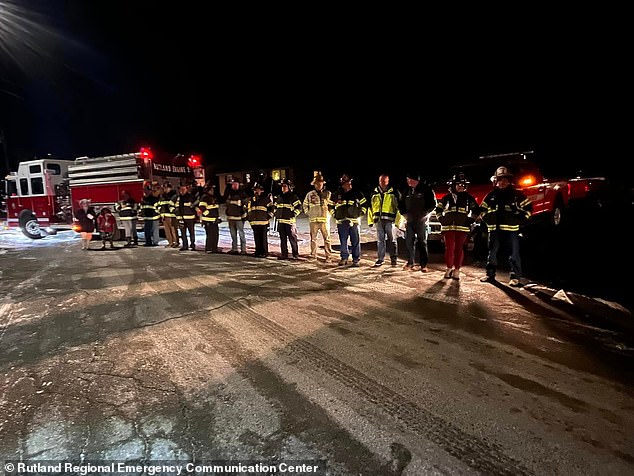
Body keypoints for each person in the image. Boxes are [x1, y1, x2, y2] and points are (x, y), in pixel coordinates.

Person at [478, 166, 532, 286]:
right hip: (494, 229)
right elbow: (482, 210)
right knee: (492, 253)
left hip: (511, 230)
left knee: (514, 253)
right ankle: (490, 275)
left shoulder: (517, 195)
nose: (502, 182)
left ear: (509, 181)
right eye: (499, 180)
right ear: (495, 181)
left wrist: (519, 217)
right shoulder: (491, 195)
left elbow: (528, 210)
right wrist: (489, 220)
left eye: (505, 180)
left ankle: (515, 277)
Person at [434, 173, 479, 280]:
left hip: (462, 227)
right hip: (448, 227)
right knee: (449, 249)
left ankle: (457, 270)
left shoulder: (469, 198)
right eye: (458, 184)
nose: (461, 186)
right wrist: (442, 220)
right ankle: (449, 268)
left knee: (459, 249)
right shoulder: (446, 197)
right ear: (453, 185)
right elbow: (438, 210)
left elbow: (476, 211)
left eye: (463, 185)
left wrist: (470, 220)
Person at [398, 172, 436, 272]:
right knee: (409, 242)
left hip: (421, 221)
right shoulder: (407, 190)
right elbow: (401, 204)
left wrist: (425, 214)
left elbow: (432, 204)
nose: (407, 181)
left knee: (422, 242)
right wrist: (404, 214)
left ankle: (424, 265)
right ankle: (410, 262)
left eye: (408, 178)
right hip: (409, 221)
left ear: (413, 179)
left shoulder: (426, 189)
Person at [330, 174, 367, 267]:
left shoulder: (357, 193)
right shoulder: (337, 194)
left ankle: (356, 259)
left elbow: (365, 205)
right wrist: (334, 214)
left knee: (355, 241)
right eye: (346, 183)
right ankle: (344, 258)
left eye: (349, 182)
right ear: (342, 184)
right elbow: (330, 205)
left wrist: (360, 214)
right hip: (342, 221)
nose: (348, 184)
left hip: (354, 222)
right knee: (343, 241)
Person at [367, 174, 401, 267]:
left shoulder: (394, 192)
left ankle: (394, 259)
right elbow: (370, 207)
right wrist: (371, 221)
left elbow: (399, 208)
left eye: (384, 181)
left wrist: (398, 222)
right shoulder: (374, 193)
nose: (382, 183)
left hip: (390, 220)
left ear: (388, 181)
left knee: (392, 240)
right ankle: (380, 259)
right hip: (378, 220)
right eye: (381, 181)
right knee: (380, 240)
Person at [302, 173, 333, 260]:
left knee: (327, 239)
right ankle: (313, 255)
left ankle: (328, 256)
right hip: (313, 220)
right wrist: (309, 213)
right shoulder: (310, 194)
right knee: (313, 239)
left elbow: (332, 205)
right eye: (317, 183)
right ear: (314, 184)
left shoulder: (328, 194)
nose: (319, 184)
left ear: (323, 183)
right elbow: (305, 205)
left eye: (320, 183)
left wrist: (329, 214)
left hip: (324, 220)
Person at [274, 179, 302, 260]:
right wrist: (276, 214)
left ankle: (295, 254)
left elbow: (299, 207)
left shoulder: (293, 197)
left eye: (285, 186)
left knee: (292, 239)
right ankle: (284, 254)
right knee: (283, 240)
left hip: (289, 222)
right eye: (282, 186)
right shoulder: (279, 197)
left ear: (289, 187)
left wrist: (293, 214)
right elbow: (275, 207)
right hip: (281, 222)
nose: (283, 188)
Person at [247, 183, 275, 257]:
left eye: (257, 190)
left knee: (263, 239)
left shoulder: (265, 199)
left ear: (261, 191)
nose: (256, 191)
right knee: (257, 238)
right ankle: (258, 251)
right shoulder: (251, 200)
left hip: (263, 222)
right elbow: (247, 209)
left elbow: (272, 208)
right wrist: (249, 218)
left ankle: (264, 252)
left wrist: (268, 216)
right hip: (254, 222)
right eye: (255, 190)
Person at [223, 179, 248, 255]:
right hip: (231, 217)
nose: (234, 185)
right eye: (233, 184)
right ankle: (234, 249)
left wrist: (244, 215)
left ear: (238, 185)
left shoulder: (242, 194)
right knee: (233, 234)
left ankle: (243, 250)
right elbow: (226, 203)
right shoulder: (229, 193)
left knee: (241, 234)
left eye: (236, 184)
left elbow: (246, 204)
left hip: (239, 218)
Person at [198, 183, 221, 253]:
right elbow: (201, 207)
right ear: (208, 190)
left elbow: (215, 209)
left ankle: (214, 248)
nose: (213, 190)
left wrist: (217, 217)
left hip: (214, 220)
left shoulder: (213, 197)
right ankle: (209, 248)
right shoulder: (204, 197)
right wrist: (208, 214)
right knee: (210, 235)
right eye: (211, 189)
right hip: (208, 220)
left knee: (215, 235)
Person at [175, 185, 197, 251]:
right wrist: (179, 218)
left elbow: (195, 206)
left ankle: (193, 245)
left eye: (183, 189)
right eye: (181, 189)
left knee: (191, 232)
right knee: (183, 233)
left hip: (190, 218)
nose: (182, 191)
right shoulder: (179, 198)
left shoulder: (191, 197)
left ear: (186, 189)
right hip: (182, 218)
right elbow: (177, 209)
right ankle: (185, 245)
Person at [158, 182, 179, 248]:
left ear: (170, 188)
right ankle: (170, 242)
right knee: (167, 231)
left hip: (171, 215)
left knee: (173, 230)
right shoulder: (162, 196)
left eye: (167, 188)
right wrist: (161, 212)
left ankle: (176, 242)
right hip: (164, 215)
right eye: (164, 188)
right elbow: (160, 205)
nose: (165, 189)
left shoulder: (174, 195)